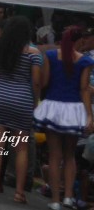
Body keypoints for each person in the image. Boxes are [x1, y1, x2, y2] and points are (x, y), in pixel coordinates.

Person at [33, 25, 94, 209]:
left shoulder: (51, 56)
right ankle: (68, 197)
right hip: (73, 109)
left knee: (54, 156)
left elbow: (44, 82)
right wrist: (89, 116)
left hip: (53, 105)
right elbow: (84, 90)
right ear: (80, 41)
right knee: (69, 156)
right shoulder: (85, 61)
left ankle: (55, 200)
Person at [0, 16, 41, 203]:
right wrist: (34, 101)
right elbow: (36, 81)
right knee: (22, 148)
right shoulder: (33, 53)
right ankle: (19, 192)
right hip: (23, 100)